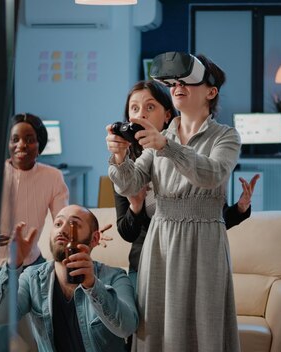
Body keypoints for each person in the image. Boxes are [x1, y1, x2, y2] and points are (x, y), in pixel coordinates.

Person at [106, 53, 241, 351]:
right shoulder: (162, 136)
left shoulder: (226, 137)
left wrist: (168, 147)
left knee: (204, 324)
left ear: (211, 91)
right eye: (174, 82)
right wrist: (118, 156)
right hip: (161, 240)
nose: (178, 86)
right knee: (157, 325)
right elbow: (131, 183)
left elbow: (212, 173)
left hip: (205, 240)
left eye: (187, 81)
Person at [114, 80, 259, 291]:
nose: (141, 114)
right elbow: (127, 233)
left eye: (150, 106)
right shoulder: (127, 167)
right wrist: (135, 206)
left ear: (167, 115)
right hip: (145, 260)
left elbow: (205, 217)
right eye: (134, 109)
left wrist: (240, 209)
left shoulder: (190, 154)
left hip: (190, 256)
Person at [0, 205, 139, 352]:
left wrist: (92, 285)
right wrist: (13, 266)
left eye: (74, 224)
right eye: (58, 223)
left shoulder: (115, 276)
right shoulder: (31, 278)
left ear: (94, 239)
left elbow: (127, 327)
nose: (63, 229)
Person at [0, 112, 69, 351]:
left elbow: (63, 220)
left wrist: (81, 231)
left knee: (53, 321)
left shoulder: (52, 177)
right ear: (7, 143)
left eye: (29, 139)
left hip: (33, 264)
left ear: (39, 144)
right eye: (15, 139)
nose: (22, 145)